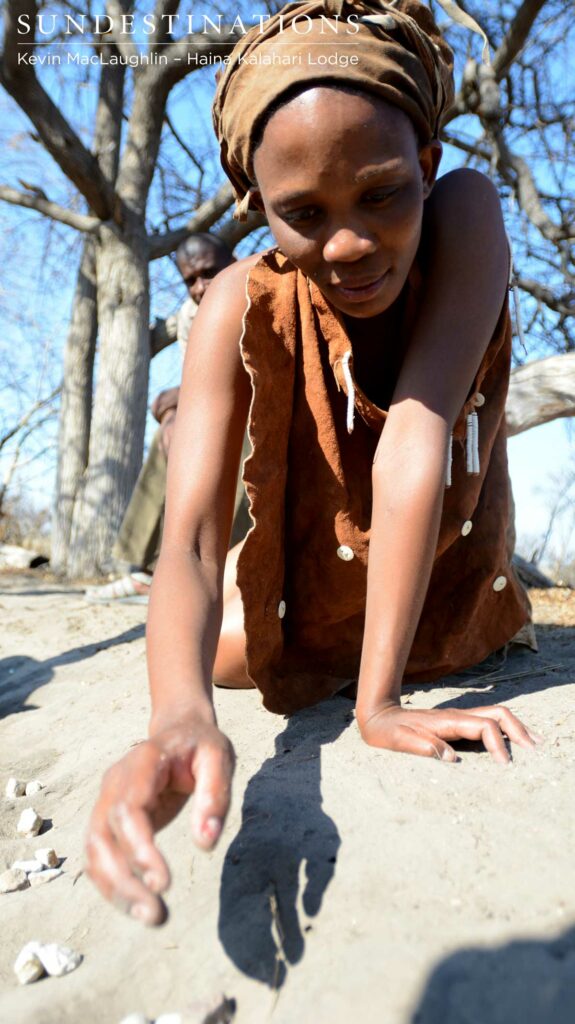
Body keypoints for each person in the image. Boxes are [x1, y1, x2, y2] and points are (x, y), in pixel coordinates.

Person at [87, 0, 540, 925]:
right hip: (318, 617)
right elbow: (195, 540)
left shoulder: (465, 213)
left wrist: (376, 707)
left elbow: (415, 429)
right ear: (257, 207)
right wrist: (177, 723)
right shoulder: (234, 309)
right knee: (204, 661)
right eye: (303, 214)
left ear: (422, 167)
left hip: (447, 604)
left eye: (381, 193)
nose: (347, 244)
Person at [86, 234, 239, 602]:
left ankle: (222, 570)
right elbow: (199, 382)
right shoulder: (191, 315)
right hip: (218, 403)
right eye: (190, 280)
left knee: (229, 435)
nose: (201, 288)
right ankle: (142, 569)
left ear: (233, 263)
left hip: (266, 409)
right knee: (171, 431)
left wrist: (178, 400)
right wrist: (172, 412)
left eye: (210, 273)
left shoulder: (263, 292)